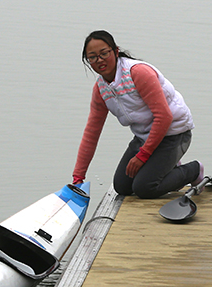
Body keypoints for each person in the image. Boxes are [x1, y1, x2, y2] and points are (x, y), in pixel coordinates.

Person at [71, 30, 204, 199]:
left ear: (115, 51)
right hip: (144, 137)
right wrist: (78, 177)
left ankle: (194, 170)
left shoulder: (138, 73)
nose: (99, 60)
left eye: (104, 53)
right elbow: (91, 133)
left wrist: (142, 156)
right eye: (92, 57)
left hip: (173, 133)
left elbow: (164, 117)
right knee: (122, 187)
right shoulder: (101, 90)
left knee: (145, 187)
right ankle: (168, 167)